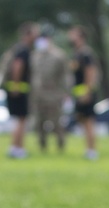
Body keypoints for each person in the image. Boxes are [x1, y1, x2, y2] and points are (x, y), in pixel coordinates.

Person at [30, 26, 70, 155]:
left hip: (54, 93)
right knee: (39, 123)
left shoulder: (59, 55)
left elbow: (65, 76)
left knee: (56, 122)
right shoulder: (35, 55)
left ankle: (61, 145)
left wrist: (66, 92)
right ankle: (42, 147)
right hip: (38, 94)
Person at [3, 22, 38, 159]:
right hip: (19, 89)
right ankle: (18, 149)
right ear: (27, 34)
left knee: (19, 120)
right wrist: (17, 85)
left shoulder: (17, 49)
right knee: (21, 120)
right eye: (35, 33)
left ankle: (15, 147)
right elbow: (17, 66)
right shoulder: (23, 50)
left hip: (15, 88)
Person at [68, 25, 101, 161]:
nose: (70, 36)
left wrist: (87, 92)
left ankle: (92, 151)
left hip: (85, 93)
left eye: (73, 34)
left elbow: (90, 72)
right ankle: (88, 149)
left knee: (88, 122)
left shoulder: (85, 53)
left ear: (81, 37)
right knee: (82, 121)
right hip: (79, 93)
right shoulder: (77, 53)